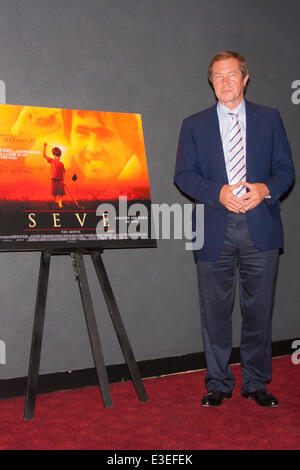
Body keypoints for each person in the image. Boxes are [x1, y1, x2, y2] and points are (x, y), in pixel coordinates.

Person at [174, 51, 295, 407]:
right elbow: (183, 175)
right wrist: (219, 192)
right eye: (217, 76)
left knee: (259, 311)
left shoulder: (270, 119)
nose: (225, 82)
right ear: (211, 82)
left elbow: (286, 170)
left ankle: (256, 381)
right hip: (215, 227)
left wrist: (264, 189)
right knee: (215, 313)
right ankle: (218, 383)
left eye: (231, 75)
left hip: (261, 227)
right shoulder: (193, 125)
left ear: (245, 78)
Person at [43, 142, 65, 208]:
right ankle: (56, 200)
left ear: (60, 156)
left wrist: (64, 182)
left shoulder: (61, 164)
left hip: (60, 180)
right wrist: (44, 147)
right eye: (55, 156)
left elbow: (64, 173)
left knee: (60, 193)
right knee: (54, 193)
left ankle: (60, 203)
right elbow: (44, 156)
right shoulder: (52, 161)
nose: (57, 157)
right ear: (54, 155)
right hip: (53, 180)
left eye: (58, 156)